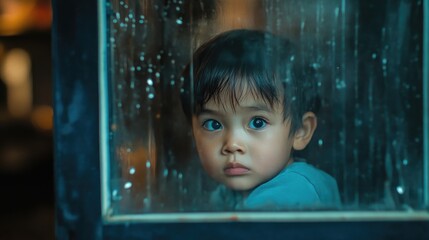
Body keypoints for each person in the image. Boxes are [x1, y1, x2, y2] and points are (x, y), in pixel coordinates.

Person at [180, 29, 341, 210]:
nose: (232, 144)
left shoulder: (294, 193)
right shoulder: (228, 194)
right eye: (213, 124)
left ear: (300, 131)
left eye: (257, 122)